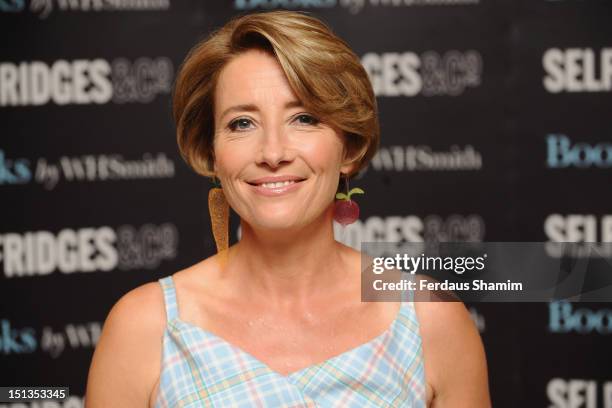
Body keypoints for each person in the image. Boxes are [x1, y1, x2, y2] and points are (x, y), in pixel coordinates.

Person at [85, 10, 490, 407]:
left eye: (304, 118)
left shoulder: (430, 319)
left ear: (349, 146)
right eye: (242, 123)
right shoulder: (145, 326)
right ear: (211, 152)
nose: (273, 153)